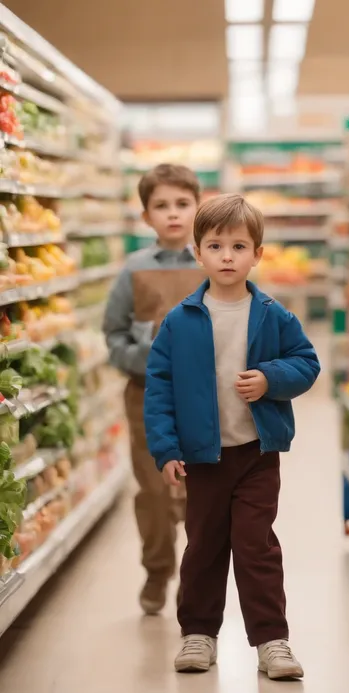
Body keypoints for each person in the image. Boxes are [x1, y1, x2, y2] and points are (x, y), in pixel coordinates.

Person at [144, 193, 321, 680]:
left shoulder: (273, 315)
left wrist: (269, 378)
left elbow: (307, 364)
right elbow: (159, 388)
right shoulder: (180, 321)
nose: (227, 256)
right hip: (203, 458)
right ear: (197, 253)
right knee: (203, 546)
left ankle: (271, 640)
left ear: (257, 254)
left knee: (256, 545)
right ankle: (198, 633)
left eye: (239, 246)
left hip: (256, 456)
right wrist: (166, 449)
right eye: (216, 245)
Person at [103, 163, 204, 615]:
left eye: (182, 204)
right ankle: (157, 568)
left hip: (206, 402)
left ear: (198, 208)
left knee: (202, 492)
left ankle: (194, 578)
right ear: (146, 217)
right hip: (147, 396)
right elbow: (113, 332)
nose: (173, 214)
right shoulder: (134, 270)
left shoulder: (212, 262)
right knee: (155, 491)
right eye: (161, 206)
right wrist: (142, 360)